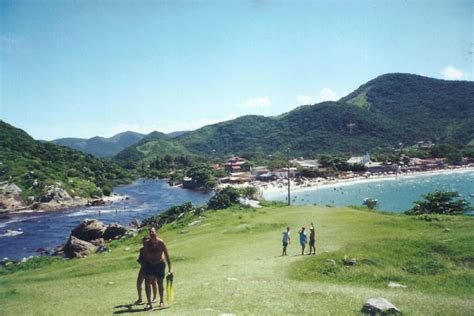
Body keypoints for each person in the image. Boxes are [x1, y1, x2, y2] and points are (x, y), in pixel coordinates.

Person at [143, 227, 173, 310]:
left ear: (156, 232)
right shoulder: (147, 243)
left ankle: (161, 301)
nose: (151, 233)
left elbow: (167, 255)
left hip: (159, 264)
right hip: (149, 265)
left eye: (153, 232)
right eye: (150, 232)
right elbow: (145, 255)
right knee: (147, 282)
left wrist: (170, 269)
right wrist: (144, 266)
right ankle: (149, 303)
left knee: (160, 283)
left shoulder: (161, 243)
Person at [135, 237, 157, 304]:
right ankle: (140, 299)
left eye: (146, 242)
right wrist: (141, 262)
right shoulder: (141, 250)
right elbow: (140, 258)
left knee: (153, 282)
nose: (145, 244)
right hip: (143, 268)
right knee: (139, 282)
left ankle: (154, 298)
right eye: (144, 242)